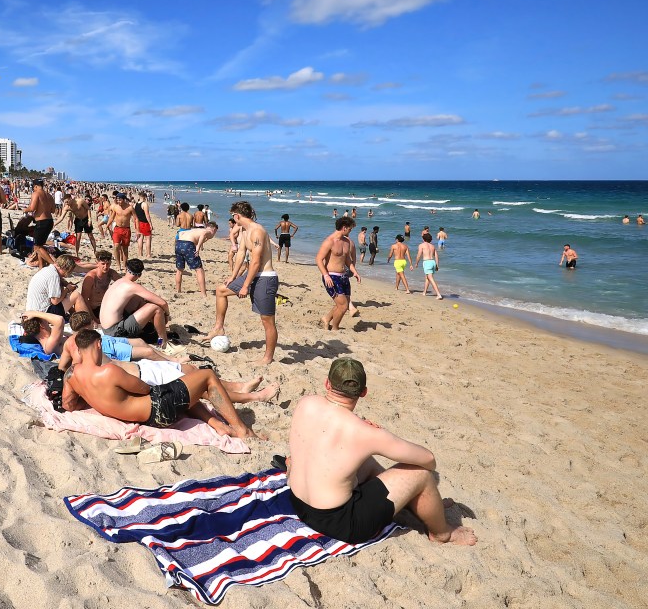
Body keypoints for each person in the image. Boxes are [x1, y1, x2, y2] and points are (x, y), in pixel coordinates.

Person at [287, 358, 476, 546]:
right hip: (342, 524)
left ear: (327, 383)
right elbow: (429, 459)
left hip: (299, 503)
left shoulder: (306, 403)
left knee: (365, 461)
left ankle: (420, 505)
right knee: (421, 475)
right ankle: (443, 533)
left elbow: (331, 435)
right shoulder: (366, 433)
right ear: (364, 392)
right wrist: (380, 435)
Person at [65, 329, 263, 440]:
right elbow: (144, 388)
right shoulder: (109, 371)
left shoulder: (72, 376)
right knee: (207, 376)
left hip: (144, 416)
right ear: (99, 344)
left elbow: (69, 405)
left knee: (186, 389)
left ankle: (218, 425)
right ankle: (242, 430)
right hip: (159, 412)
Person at [204, 201, 279, 365]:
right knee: (221, 290)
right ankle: (218, 327)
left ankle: (267, 358)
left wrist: (245, 285)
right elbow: (241, 254)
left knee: (267, 321)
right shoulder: (244, 231)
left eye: (232, 216)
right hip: (252, 276)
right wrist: (233, 276)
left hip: (265, 278)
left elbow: (256, 261)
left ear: (236, 216)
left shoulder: (257, 231)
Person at [99, 259, 170, 343]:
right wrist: (167, 315)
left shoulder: (118, 282)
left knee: (139, 300)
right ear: (139, 275)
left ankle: (154, 328)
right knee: (156, 308)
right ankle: (163, 341)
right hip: (116, 332)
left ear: (126, 269)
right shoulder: (132, 286)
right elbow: (163, 303)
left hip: (105, 329)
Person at [317, 217, 361, 331]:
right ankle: (335, 328)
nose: (350, 231)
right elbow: (318, 259)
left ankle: (326, 319)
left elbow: (347, 260)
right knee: (343, 305)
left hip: (344, 276)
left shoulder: (346, 242)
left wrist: (354, 272)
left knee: (341, 304)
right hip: (331, 276)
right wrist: (326, 275)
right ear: (344, 228)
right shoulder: (329, 241)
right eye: (350, 229)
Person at [174, 222, 218, 297]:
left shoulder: (195, 230)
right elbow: (204, 234)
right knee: (199, 269)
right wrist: (198, 247)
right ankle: (203, 294)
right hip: (188, 245)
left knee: (179, 269)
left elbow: (180, 233)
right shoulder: (206, 231)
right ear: (213, 229)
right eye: (215, 232)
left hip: (179, 244)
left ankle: (178, 290)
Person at [78, 250, 119, 320]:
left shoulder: (111, 273)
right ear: (97, 263)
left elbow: (123, 283)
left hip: (104, 305)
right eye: (103, 264)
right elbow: (84, 299)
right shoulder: (91, 277)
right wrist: (94, 319)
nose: (105, 267)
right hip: (93, 308)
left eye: (108, 264)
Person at [27, 179, 56, 267]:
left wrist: (25, 209)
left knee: (37, 247)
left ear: (35, 186)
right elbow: (53, 210)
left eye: (33, 187)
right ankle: (41, 266)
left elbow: (32, 208)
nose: (33, 189)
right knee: (40, 245)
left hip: (41, 222)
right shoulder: (49, 195)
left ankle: (54, 265)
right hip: (49, 221)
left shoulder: (36, 193)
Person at [105, 192, 135, 270]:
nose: (118, 201)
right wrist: (107, 226)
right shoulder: (116, 207)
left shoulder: (130, 208)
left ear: (124, 199)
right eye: (117, 200)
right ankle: (118, 265)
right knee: (116, 246)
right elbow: (111, 218)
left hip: (126, 229)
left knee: (125, 249)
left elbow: (136, 219)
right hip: (117, 229)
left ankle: (124, 265)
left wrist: (137, 230)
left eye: (120, 200)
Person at [66, 191, 98, 258]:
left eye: (89, 200)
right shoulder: (72, 204)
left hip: (85, 219)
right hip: (78, 220)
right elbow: (68, 216)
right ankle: (77, 253)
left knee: (90, 236)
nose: (87, 201)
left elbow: (88, 209)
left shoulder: (83, 202)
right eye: (87, 199)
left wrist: (89, 219)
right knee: (78, 237)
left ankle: (95, 250)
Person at [414, 232, 444, 299]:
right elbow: (436, 255)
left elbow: (419, 255)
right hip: (432, 262)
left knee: (430, 278)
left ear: (423, 239)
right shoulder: (432, 246)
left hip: (427, 262)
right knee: (427, 278)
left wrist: (416, 263)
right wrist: (437, 265)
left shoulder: (421, 245)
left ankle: (438, 294)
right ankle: (424, 292)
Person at [133, 192, 153, 258]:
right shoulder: (144, 204)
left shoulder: (135, 204)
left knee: (140, 238)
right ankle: (148, 254)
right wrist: (150, 224)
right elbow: (147, 215)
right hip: (144, 223)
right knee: (148, 238)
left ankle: (140, 253)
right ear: (145, 197)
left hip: (137, 223)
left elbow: (134, 215)